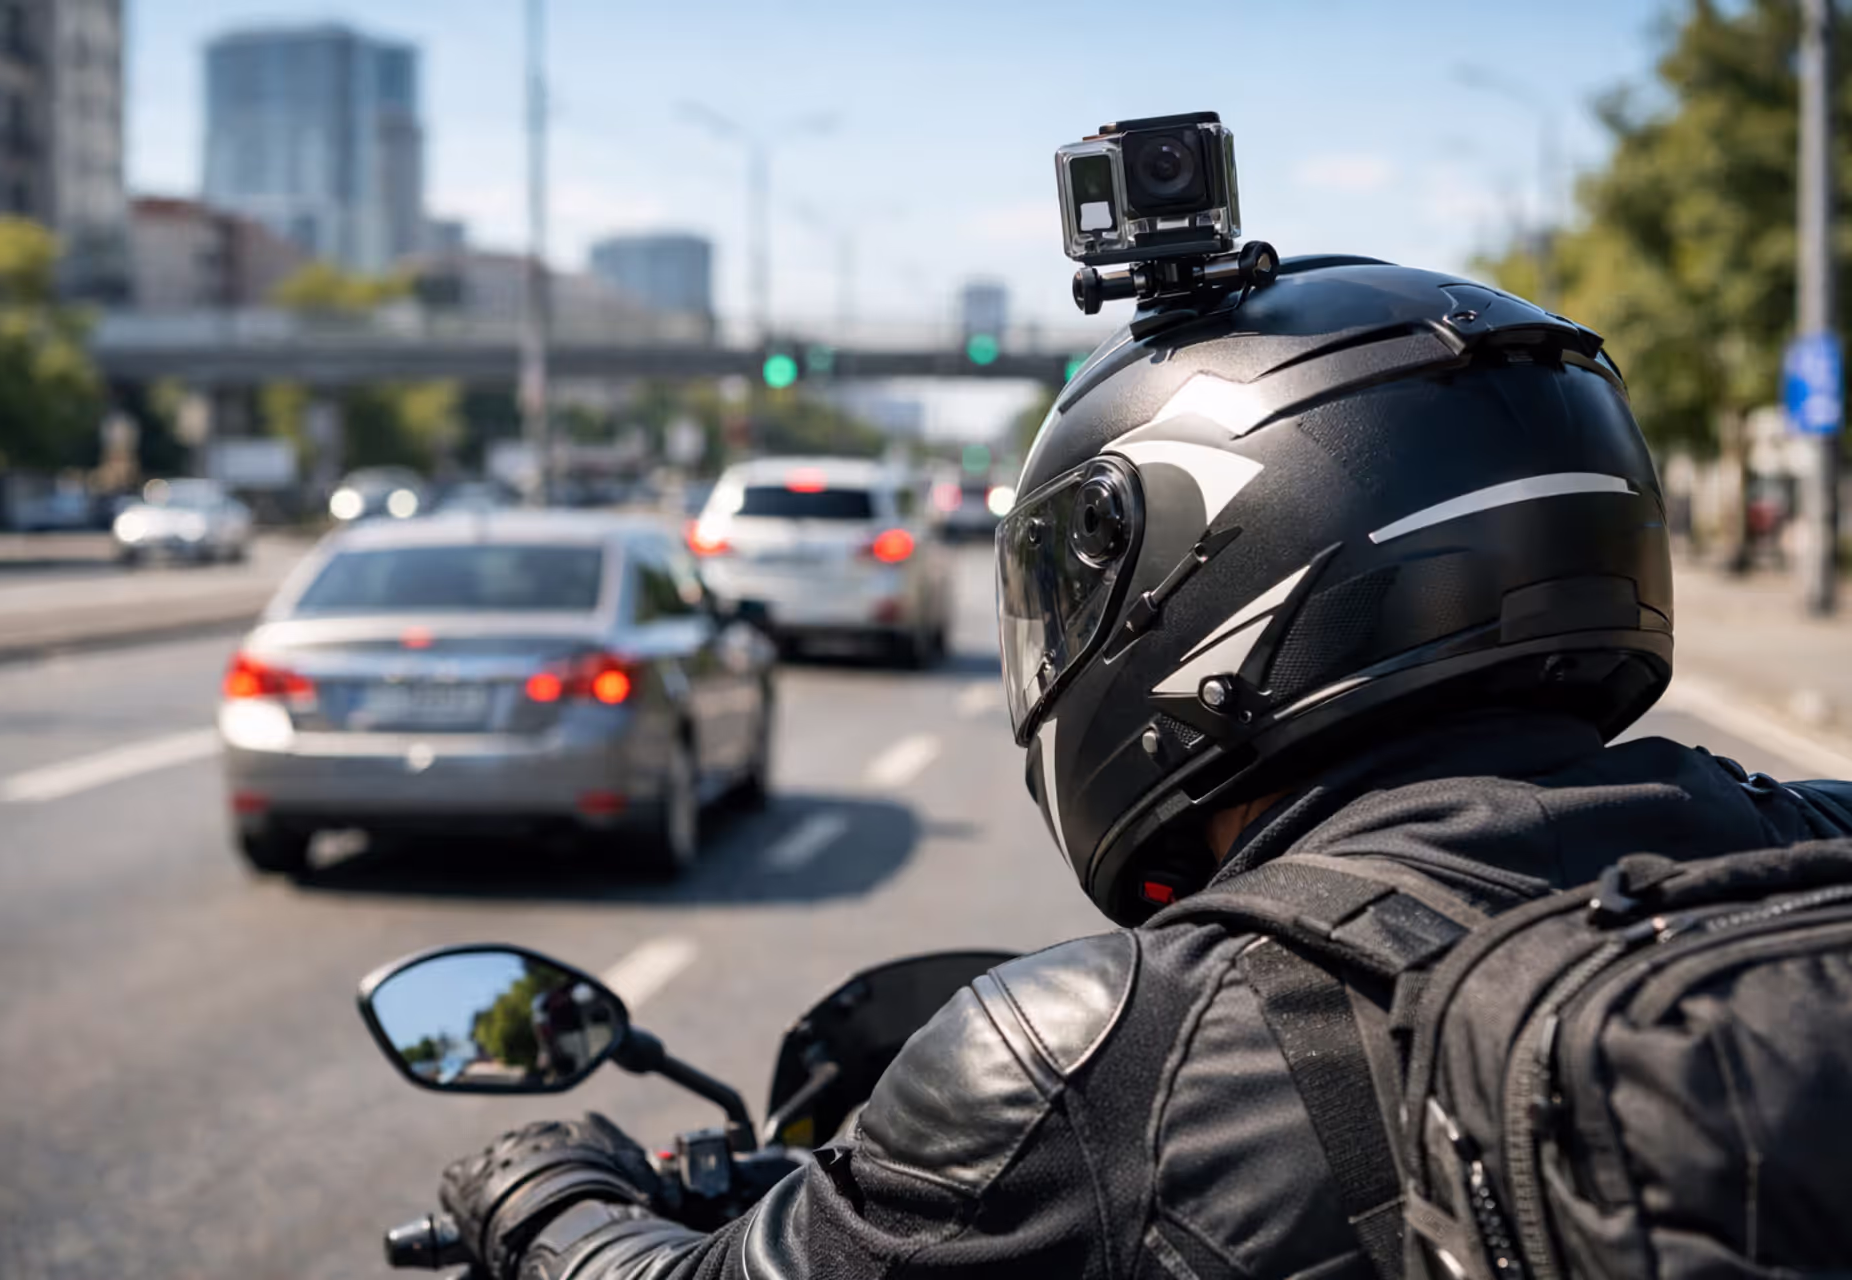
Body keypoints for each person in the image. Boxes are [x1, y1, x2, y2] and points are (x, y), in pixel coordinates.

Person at [428, 258, 1852, 1280]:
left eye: (1071, 586)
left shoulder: (1084, 1057)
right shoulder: (1813, 848)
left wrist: (541, 1198)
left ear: (1201, 579)